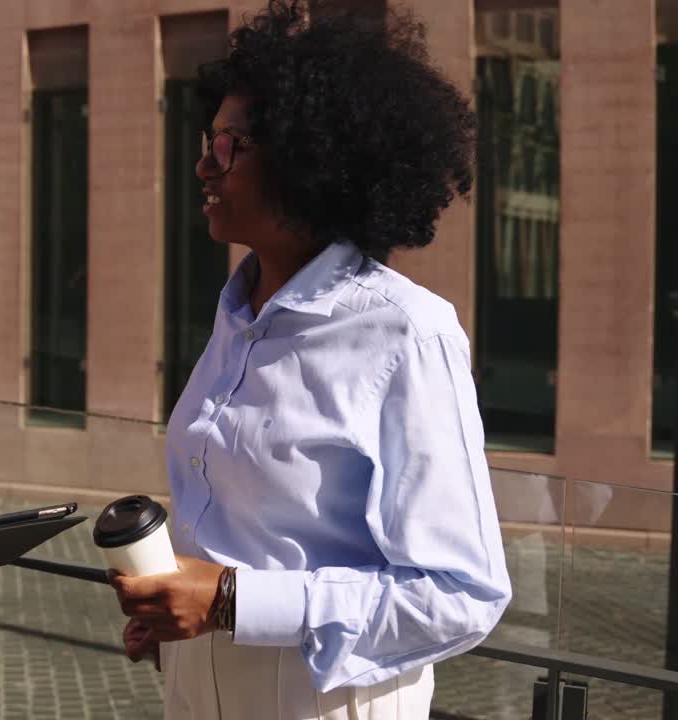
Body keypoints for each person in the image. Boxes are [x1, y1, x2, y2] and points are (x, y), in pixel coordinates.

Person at [109, 2, 512, 717]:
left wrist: (233, 600)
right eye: (210, 137)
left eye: (231, 143)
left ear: (309, 157)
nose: (204, 161)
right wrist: (177, 615)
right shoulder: (238, 315)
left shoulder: (406, 334)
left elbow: (462, 595)